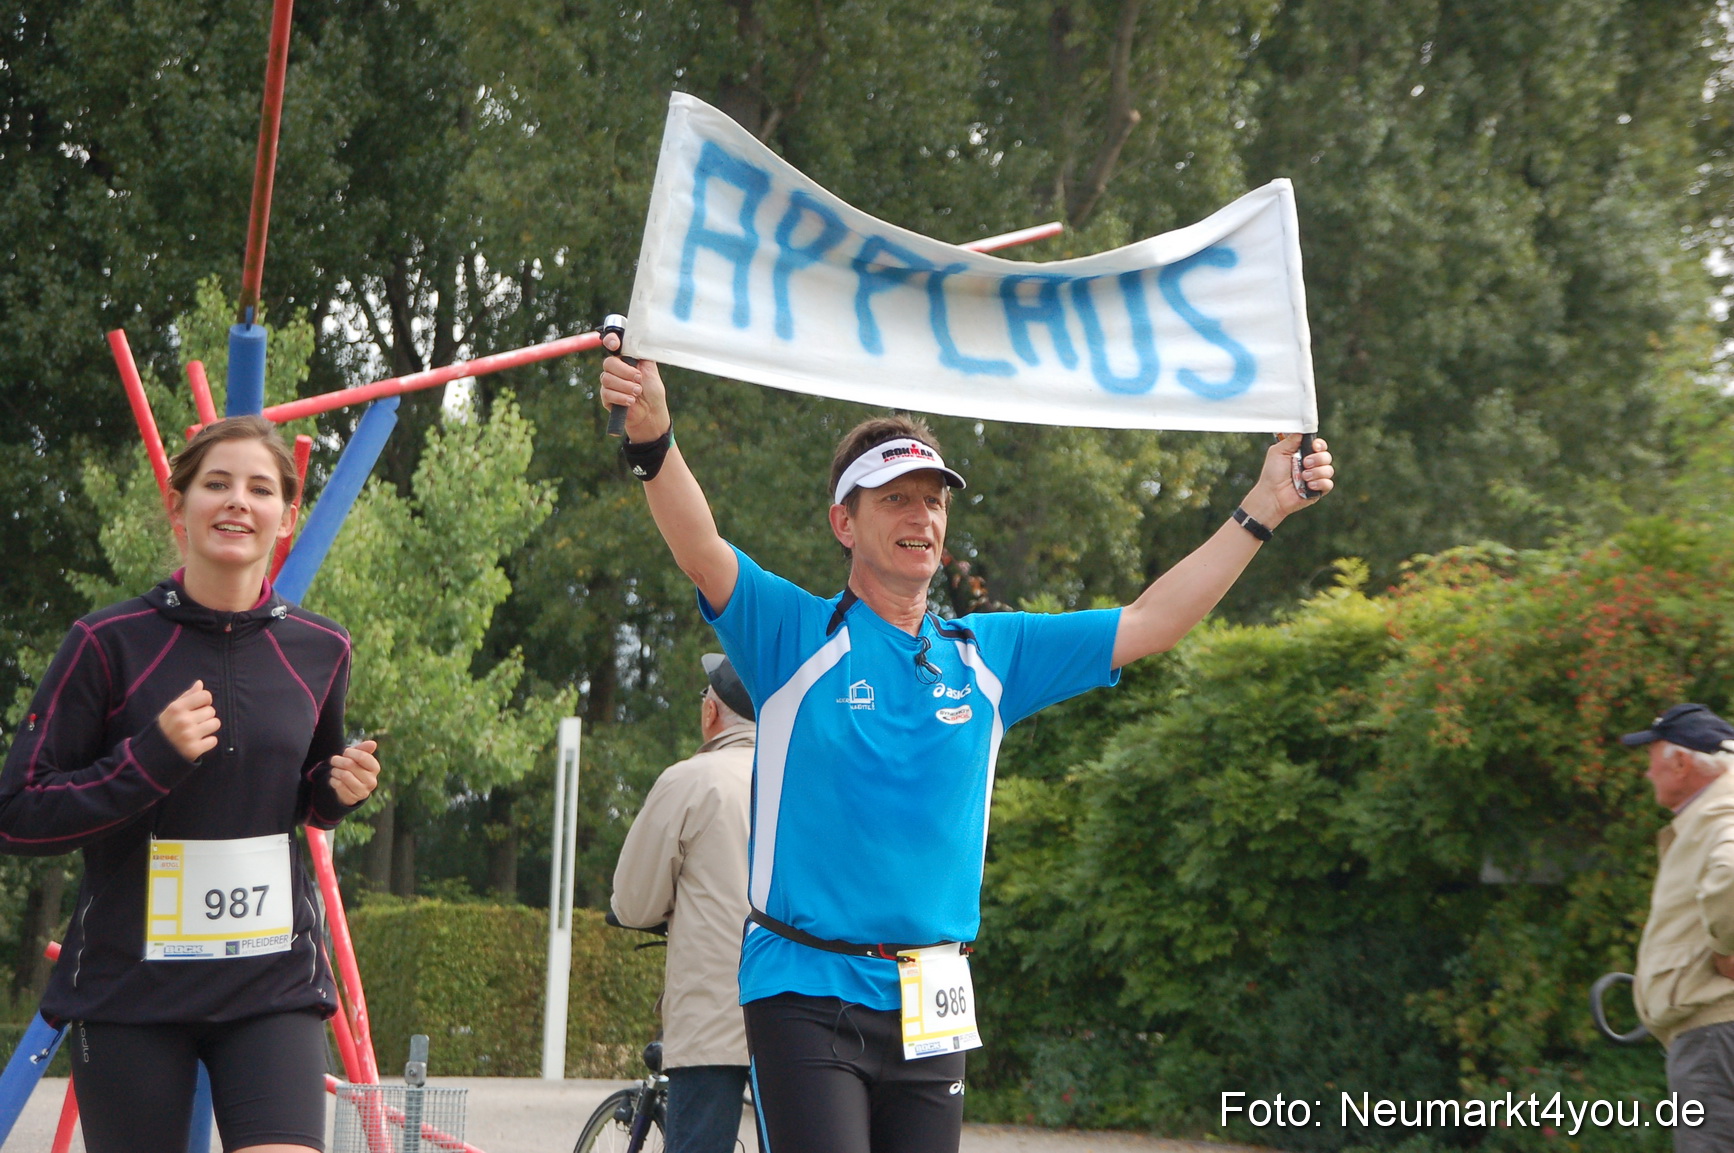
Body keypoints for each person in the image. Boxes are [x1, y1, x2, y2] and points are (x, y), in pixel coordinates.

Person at [599, 344, 1333, 1153]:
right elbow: (700, 545)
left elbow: (1153, 621)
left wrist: (1262, 506)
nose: (922, 517)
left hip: (933, 992)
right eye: (895, 499)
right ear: (845, 521)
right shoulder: (796, 636)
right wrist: (654, 439)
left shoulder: (989, 655)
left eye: (933, 502)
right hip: (805, 988)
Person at [0, 415, 381, 1153]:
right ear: (179, 506)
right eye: (217, 483)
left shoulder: (323, 646)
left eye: (260, 488)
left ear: (286, 516)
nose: (238, 501)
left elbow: (304, 793)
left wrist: (337, 791)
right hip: (132, 989)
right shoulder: (107, 643)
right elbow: (17, 813)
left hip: (270, 983)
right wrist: (148, 759)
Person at [611, 653, 758, 1153]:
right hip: (803, 1014)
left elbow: (633, 903)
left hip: (715, 1015)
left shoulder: (692, 781)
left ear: (712, 713)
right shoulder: (810, 779)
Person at [1624, 703, 1734, 1150]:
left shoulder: (1720, 812)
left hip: (1713, 1032)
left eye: (1652, 759)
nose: (1648, 774)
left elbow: (1731, 875)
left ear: (1683, 762)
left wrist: (1728, 949)